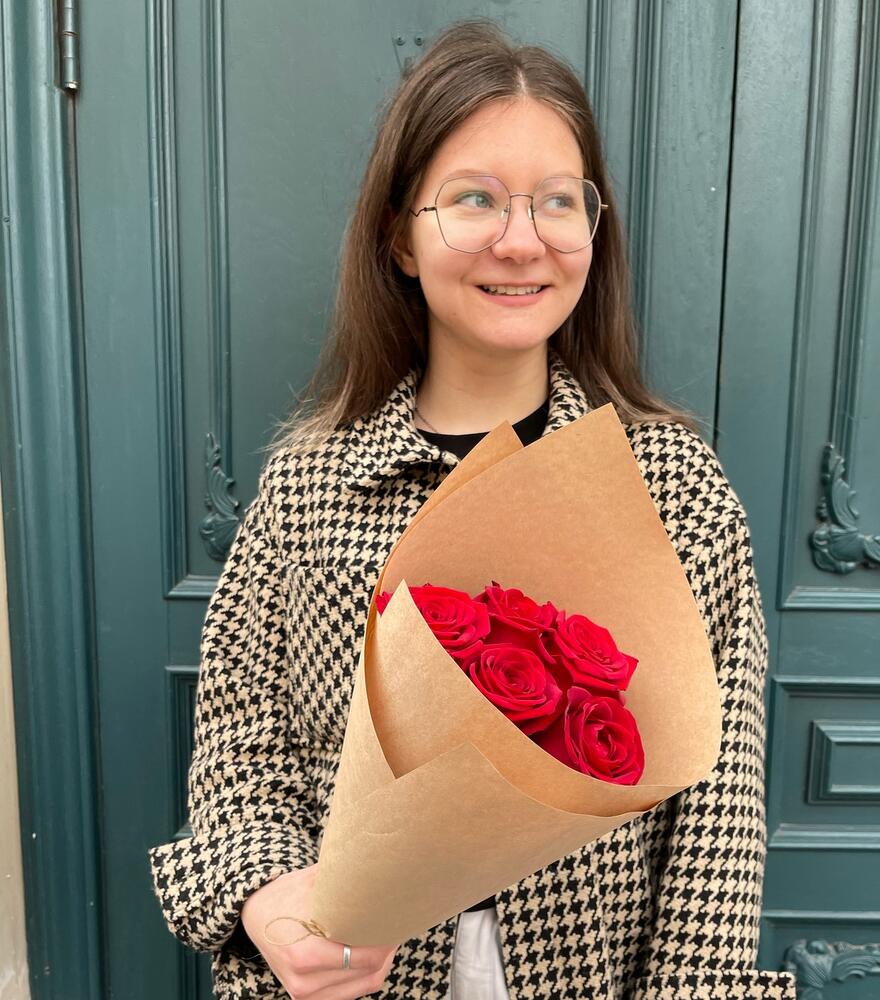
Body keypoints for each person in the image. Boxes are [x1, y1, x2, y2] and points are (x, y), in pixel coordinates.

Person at [147, 18, 797, 1000]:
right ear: (400, 238)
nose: (520, 239)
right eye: (475, 199)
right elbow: (244, 747)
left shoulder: (671, 489)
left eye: (557, 201)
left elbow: (715, 823)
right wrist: (268, 896)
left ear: (593, 230)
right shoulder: (311, 484)